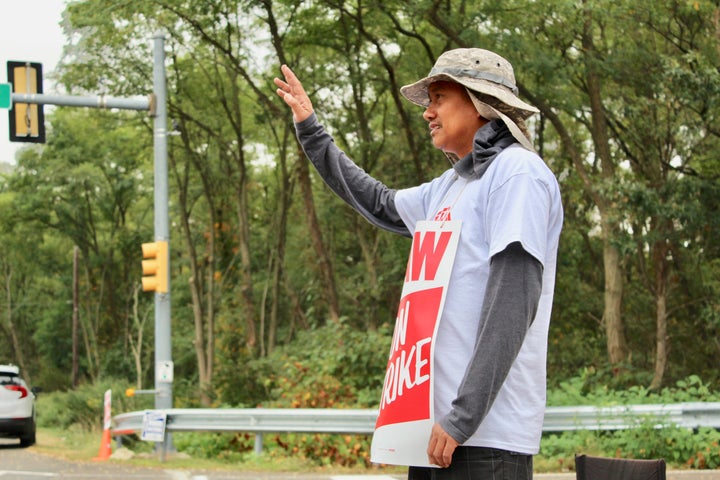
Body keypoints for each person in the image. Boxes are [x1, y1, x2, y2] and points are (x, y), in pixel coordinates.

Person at [274, 48, 563, 480]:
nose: (427, 113)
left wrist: (462, 417)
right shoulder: (452, 186)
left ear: (481, 102)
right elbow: (379, 202)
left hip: (483, 440)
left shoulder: (517, 174)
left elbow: (513, 300)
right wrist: (312, 132)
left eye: (439, 98)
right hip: (433, 436)